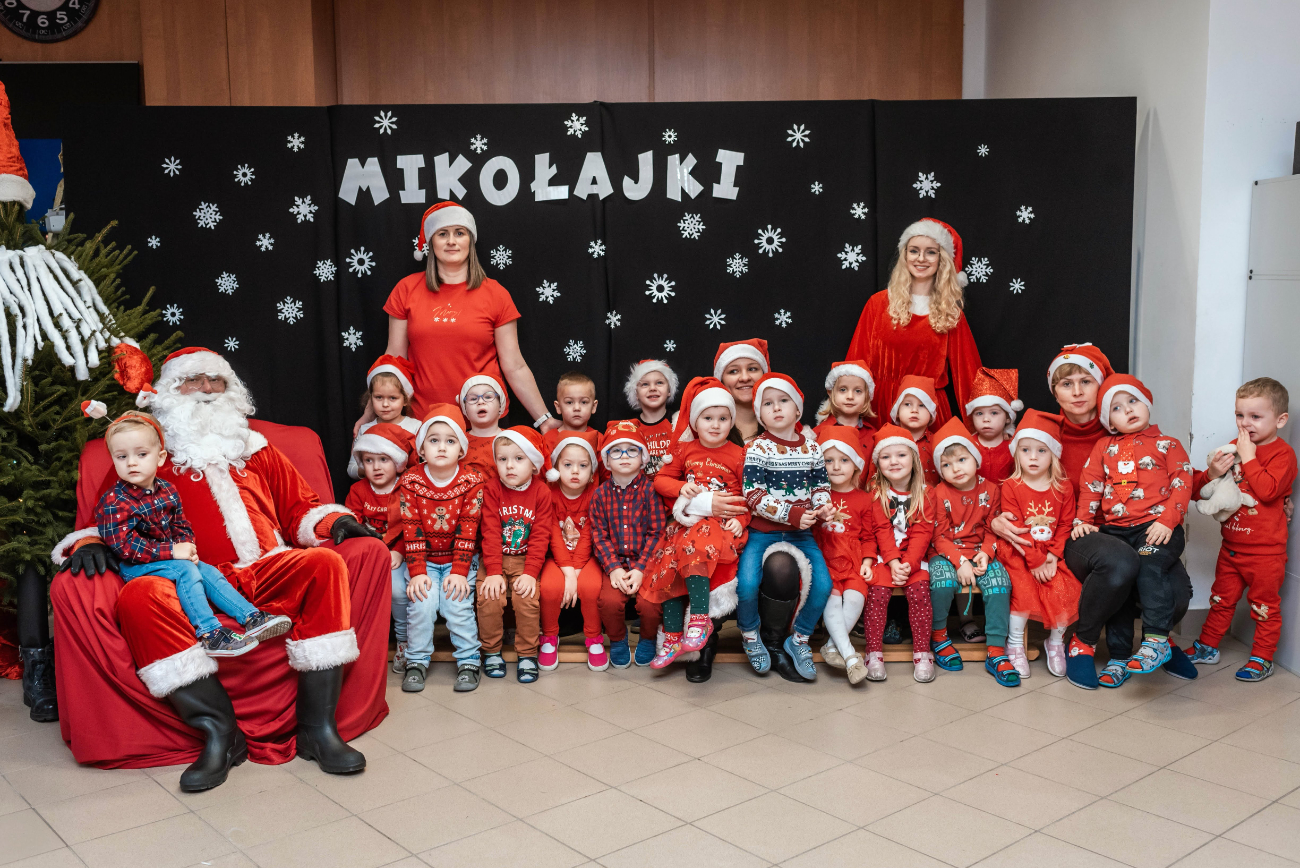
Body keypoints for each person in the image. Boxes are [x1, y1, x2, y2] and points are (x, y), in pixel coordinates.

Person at [55, 346, 384, 790]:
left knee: (324, 563)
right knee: (140, 596)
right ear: (170, 390)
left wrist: (337, 520)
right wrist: (89, 541)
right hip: (185, 577)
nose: (207, 391)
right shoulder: (146, 452)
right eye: (195, 381)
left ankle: (316, 729)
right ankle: (220, 735)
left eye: (217, 381)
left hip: (264, 566)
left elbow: (300, 507)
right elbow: (107, 518)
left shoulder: (254, 447)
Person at [989, 343, 1197, 689]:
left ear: (1102, 386)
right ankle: (1082, 643)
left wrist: (1230, 479)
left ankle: (1158, 641)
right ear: (1054, 390)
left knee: (1179, 591)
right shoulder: (1043, 432)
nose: (1077, 392)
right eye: (1066, 384)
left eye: (1086, 381)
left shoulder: (1120, 428)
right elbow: (1002, 478)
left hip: (1139, 526)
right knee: (1120, 563)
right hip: (1074, 533)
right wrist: (995, 518)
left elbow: (1170, 473)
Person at [94, 411, 290, 657]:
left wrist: (187, 546)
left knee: (207, 570)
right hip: (135, 565)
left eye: (141, 454)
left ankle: (251, 617)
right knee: (185, 570)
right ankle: (210, 634)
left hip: (169, 557)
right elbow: (124, 546)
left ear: (160, 457)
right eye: (122, 457)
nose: (131, 463)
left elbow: (181, 525)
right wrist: (173, 552)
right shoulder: (115, 500)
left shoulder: (167, 490)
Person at [364, 201, 560, 434]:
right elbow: (393, 361)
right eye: (442, 234)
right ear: (430, 242)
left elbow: (515, 366)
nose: (451, 241)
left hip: (483, 424)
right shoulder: (406, 289)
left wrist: (544, 420)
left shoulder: (496, 293)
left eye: (459, 233)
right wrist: (369, 415)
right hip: (423, 423)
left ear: (471, 240)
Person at [1074, 375, 1191, 678]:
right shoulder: (1103, 446)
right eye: (1116, 407)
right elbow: (1091, 485)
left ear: (1147, 403)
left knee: (1150, 563)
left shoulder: (1168, 444)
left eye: (1133, 401)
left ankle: (1156, 641)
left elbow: (1183, 481)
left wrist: (1168, 520)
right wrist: (1084, 520)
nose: (1127, 409)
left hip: (1156, 528)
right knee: (1122, 587)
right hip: (1116, 530)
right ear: (1109, 421)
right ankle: (1120, 657)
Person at [1187, 377, 1296, 682]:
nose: (1245, 424)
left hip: (1265, 554)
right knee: (1220, 600)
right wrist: (1213, 472)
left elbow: (1268, 491)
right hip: (1231, 546)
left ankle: (1262, 658)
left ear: (1280, 419)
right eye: (1240, 415)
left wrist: (1248, 456)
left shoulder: (1282, 455)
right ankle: (1208, 646)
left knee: (1264, 607)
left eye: (1255, 417)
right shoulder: (1235, 447)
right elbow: (1206, 488)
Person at [640, 378, 748, 670]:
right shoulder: (685, 450)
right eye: (708, 418)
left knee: (696, 545)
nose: (715, 425)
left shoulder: (739, 455)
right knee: (668, 572)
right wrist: (680, 489)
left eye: (723, 418)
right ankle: (673, 636)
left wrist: (740, 519)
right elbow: (661, 480)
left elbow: (747, 497)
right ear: (695, 422)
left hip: (717, 528)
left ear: (731, 422)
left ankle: (700, 618)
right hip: (683, 527)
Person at [737, 373, 834, 681]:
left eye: (783, 401)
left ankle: (799, 639)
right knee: (747, 584)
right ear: (760, 414)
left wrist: (822, 507)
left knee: (823, 586)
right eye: (768, 403)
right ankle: (751, 635)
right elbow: (753, 494)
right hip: (763, 532)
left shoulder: (812, 448)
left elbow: (820, 484)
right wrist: (792, 513)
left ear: (797, 410)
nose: (776, 408)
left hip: (802, 534)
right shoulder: (758, 448)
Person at [846, 218, 982, 425]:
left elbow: (969, 374)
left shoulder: (950, 313)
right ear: (905, 255)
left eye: (930, 252)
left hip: (927, 410)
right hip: (882, 408)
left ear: (942, 259)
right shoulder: (878, 303)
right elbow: (855, 364)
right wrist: (847, 418)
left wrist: (984, 425)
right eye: (914, 250)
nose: (921, 258)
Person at [392, 406, 487, 693]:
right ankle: (416, 661)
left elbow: (468, 529)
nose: (442, 447)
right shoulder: (411, 481)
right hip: (425, 559)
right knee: (422, 604)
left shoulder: (473, 481)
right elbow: (411, 528)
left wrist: (459, 571)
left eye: (450, 440)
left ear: (461, 448)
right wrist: (418, 571)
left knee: (456, 605)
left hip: (462, 559)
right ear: (421, 448)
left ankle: (469, 660)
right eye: (434, 440)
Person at [926, 418, 1017, 686]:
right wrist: (959, 561)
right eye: (946, 464)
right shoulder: (937, 493)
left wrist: (987, 553)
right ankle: (940, 636)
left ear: (975, 459)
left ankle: (997, 650)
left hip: (981, 551)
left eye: (962, 460)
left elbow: (994, 527)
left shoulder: (991, 489)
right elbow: (938, 536)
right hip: (945, 552)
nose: (955, 469)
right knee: (942, 582)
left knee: (1000, 583)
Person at [999, 410, 1080, 679]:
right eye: (1026, 450)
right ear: (1016, 453)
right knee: (1023, 591)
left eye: (1041, 451)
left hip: (1050, 554)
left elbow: (1066, 525)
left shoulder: (1064, 488)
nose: (1033, 457)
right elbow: (1016, 530)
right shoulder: (1011, 486)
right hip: (1020, 552)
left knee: (1065, 588)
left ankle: (1055, 643)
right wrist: (1034, 561)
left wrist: (1053, 557)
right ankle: (1014, 645)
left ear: (1054, 454)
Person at [477, 426, 553, 683]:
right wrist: (494, 572)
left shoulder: (542, 492)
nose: (510, 466)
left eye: (519, 459)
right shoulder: (492, 489)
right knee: (488, 598)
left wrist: (531, 574)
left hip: (526, 560)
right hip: (493, 557)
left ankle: (528, 654)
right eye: (503, 459)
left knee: (527, 599)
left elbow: (541, 536)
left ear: (534, 464)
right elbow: (489, 531)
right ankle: (491, 650)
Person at [589, 424, 667, 668]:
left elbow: (657, 533)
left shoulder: (651, 491)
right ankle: (618, 639)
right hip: (614, 563)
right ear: (607, 461)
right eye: (616, 451)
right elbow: (598, 535)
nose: (624, 456)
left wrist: (642, 567)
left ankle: (647, 638)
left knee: (651, 605)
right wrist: (613, 568)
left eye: (632, 451)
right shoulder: (600, 495)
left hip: (646, 563)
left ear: (643, 458)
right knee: (609, 603)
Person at [864, 425, 937, 683]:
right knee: (877, 594)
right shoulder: (876, 494)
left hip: (914, 559)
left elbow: (923, 532)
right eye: (886, 457)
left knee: (920, 594)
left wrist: (907, 564)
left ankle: (922, 652)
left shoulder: (927, 494)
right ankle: (873, 652)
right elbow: (881, 530)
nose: (894, 461)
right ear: (878, 463)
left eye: (901, 455)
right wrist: (893, 562)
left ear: (914, 459)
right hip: (886, 558)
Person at [343, 423, 416, 674]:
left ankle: (404, 641)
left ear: (396, 461)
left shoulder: (408, 486)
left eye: (383, 459)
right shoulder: (358, 490)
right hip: (370, 554)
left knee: (398, 591)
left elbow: (416, 524)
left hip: (403, 552)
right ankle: (359, 640)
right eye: (369, 460)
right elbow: (352, 526)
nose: (376, 467)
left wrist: (400, 552)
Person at [812, 427, 875, 685]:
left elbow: (870, 536)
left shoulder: (864, 499)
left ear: (856, 465)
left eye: (844, 460)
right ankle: (850, 655)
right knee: (832, 597)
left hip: (853, 560)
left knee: (855, 597)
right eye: (829, 460)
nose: (836, 467)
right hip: (825, 558)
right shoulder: (816, 497)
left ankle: (830, 646)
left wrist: (869, 562)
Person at [538, 431, 606, 671]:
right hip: (556, 558)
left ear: (591, 473)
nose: (575, 471)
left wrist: (576, 572)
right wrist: (567, 572)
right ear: (556, 469)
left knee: (590, 587)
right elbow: (553, 536)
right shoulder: (548, 495)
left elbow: (589, 536)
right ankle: (549, 636)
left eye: (582, 466)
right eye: (568, 465)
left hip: (586, 559)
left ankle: (594, 637)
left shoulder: (595, 495)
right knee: (548, 587)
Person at [347, 355, 420, 479]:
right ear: (371, 398)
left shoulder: (416, 427)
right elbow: (351, 469)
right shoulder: (365, 429)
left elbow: (425, 466)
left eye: (393, 398)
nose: (385, 404)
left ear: (405, 400)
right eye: (379, 397)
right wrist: (369, 471)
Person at [619, 358, 679, 477]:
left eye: (659, 383)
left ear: (669, 390)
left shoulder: (679, 423)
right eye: (645, 384)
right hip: (641, 492)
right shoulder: (628, 428)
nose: (652, 388)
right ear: (636, 393)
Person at [964, 367, 1021, 485]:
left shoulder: (1014, 448)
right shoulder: (967, 445)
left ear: (1007, 418)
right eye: (979, 413)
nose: (986, 419)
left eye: (994, 413)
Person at [813, 360, 879, 451]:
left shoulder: (873, 435)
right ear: (831, 393)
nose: (850, 396)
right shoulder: (818, 433)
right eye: (843, 390)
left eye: (858, 391)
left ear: (867, 396)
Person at [714, 339, 771, 443]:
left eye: (752, 369)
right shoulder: (703, 430)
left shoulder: (787, 427)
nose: (745, 378)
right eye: (733, 371)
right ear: (721, 381)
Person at [890, 375, 940, 487]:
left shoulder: (937, 443)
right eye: (907, 404)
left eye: (922, 405)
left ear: (931, 414)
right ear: (897, 411)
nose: (914, 410)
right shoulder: (887, 441)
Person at [459, 373, 508, 480]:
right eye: (472, 399)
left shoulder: (514, 439)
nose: (480, 402)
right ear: (465, 410)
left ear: (500, 406)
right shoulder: (458, 442)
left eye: (488, 397)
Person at [543, 371, 598, 456]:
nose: (576, 408)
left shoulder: (598, 439)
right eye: (569, 402)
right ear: (558, 407)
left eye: (583, 402)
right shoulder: (548, 439)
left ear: (594, 406)